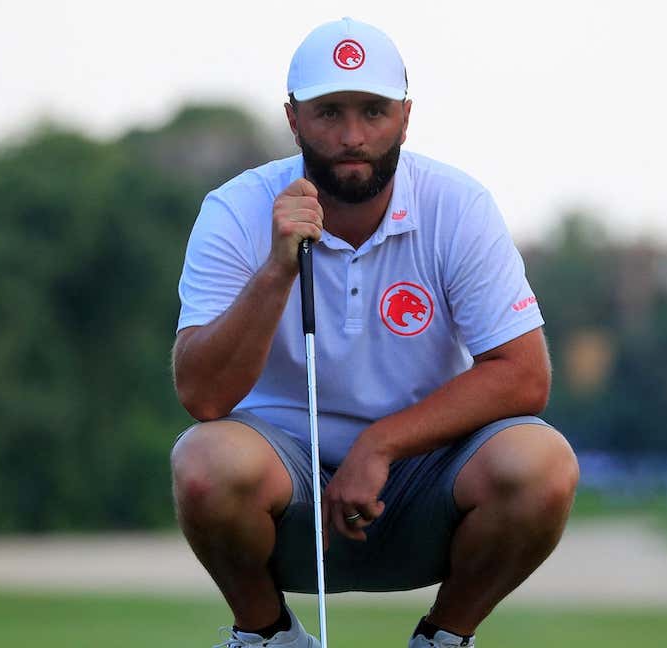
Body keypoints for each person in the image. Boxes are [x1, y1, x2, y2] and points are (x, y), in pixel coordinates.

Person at [170, 17, 579, 648]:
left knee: (542, 462)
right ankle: (269, 635)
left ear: (406, 117)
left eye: (374, 111)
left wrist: (381, 445)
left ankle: (443, 638)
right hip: (287, 494)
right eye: (329, 112)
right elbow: (202, 396)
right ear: (293, 118)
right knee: (203, 462)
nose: (353, 136)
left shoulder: (456, 205)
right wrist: (278, 268)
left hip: (421, 486)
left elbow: (525, 374)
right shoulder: (236, 210)